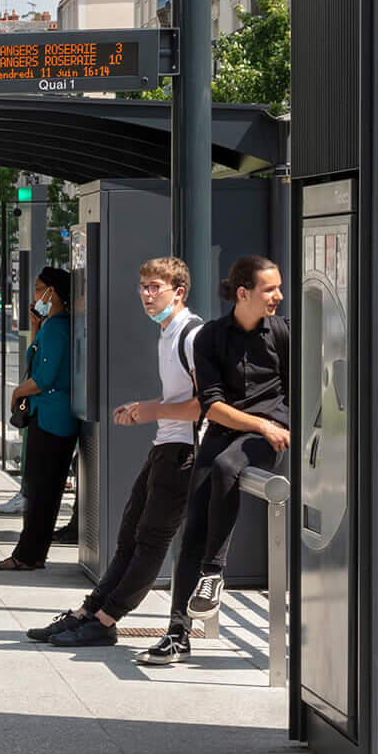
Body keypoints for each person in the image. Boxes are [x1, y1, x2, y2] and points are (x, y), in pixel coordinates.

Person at [31, 258, 207, 647]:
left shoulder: (192, 335)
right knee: (129, 535)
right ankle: (91, 611)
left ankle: (107, 618)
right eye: (143, 287)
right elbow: (180, 398)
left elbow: (205, 405)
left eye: (155, 287)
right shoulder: (167, 332)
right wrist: (144, 408)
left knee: (151, 540)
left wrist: (153, 411)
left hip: (184, 451)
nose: (146, 295)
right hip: (165, 444)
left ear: (178, 292)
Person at [138, 255, 291, 667]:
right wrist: (259, 425)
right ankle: (177, 633)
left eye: (278, 288)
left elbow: (297, 389)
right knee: (193, 524)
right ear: (243, 294)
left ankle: (214, 571)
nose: (278, 296)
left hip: (270, 436)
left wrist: (275, 428)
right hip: (231, 429)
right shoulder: (209, 338)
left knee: (226, 468)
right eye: (269, 289)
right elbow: (213, 407)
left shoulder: (282, 333)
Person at [0, 267, 78, 571]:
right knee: (47, 490)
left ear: (52, 291)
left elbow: (42, 379)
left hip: (49, 417)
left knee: (40, 490)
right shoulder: (57, 326)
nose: (35, 294)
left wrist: (16, 392)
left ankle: (26, 555)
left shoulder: (57, 328)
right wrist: (36, 327)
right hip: (58, 417)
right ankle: (32, 553)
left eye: (39, 287)